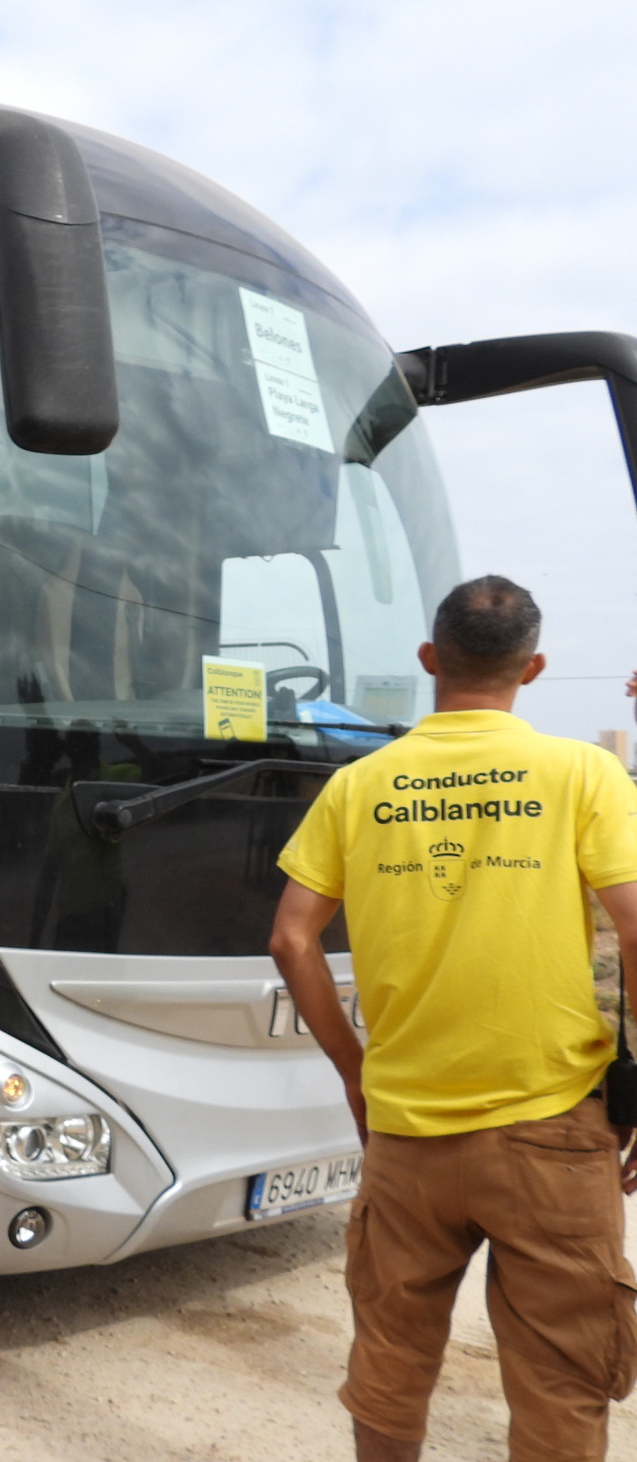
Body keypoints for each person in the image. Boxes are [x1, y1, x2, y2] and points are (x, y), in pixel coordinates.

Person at [271, 575, 637, 1462]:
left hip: (406, 1134)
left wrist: (357, 1075)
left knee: (391, 1366)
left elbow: (290, 940)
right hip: (551, 1129)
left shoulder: (360, 785)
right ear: (535, 667)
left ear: (430, 659)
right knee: (560, 1380)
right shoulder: (582, 773)